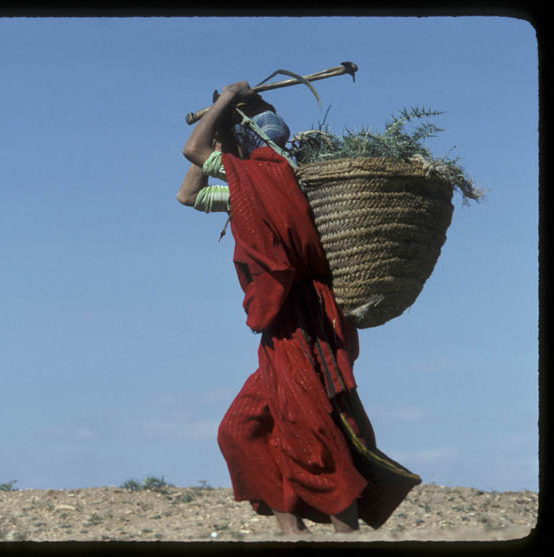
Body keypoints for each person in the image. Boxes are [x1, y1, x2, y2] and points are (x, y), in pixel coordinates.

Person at [178, 81, 420, 535]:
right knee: (241, 430)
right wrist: (227, 134)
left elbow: (192, 150)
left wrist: (227, 99)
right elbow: (188, 195)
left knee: (311, 430)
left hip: (301, 323)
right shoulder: (250, 186)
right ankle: (292, 533)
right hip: (292, 325)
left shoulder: (282, 180)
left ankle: (345, 530)